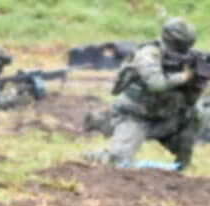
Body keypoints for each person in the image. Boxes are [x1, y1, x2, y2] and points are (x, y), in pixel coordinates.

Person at [85, 17, 203, 170]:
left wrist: (198, 81)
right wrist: (183, 77)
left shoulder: (188, 58)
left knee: (195, 114)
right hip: (135, 115)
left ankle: (182, 165)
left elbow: (191, 99)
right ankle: (95, 149)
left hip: (165, 116)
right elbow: (156, 83)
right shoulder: (148, 53)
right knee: (117, 161)